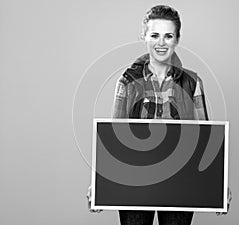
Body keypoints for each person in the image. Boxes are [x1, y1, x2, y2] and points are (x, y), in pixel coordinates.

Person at [87, 5, 231, 224]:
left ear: (177, 39)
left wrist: (218, 183)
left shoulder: (193, 83)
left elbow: (205, 138)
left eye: (168, 36)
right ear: (143, 36)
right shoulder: (126, 82)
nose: (161, 43)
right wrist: (99, 184)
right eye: (154, 35)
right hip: (135, 181)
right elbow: (115, 136)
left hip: (180, 181)